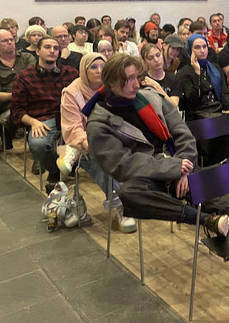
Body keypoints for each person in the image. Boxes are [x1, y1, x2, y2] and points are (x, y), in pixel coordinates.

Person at [86, 53, 229, 307]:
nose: (137, 84)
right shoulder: (100, 122)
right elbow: (122, 165)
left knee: (227, 206)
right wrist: (172, 169)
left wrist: (183, 170)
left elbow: (183, 134)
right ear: (111, 82)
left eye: (137, 77)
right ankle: (205, 220)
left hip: (182, 170)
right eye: (129, 80)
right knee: (129, 193)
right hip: (150, 180)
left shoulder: (151, 98)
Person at [59, 53, 136, 232]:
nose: (99, 70)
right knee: (103, 159)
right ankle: (121, 205)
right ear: (84, 70)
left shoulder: (111, 87)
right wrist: (94, 144)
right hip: (85, 143)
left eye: (102, 66)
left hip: (114, 137)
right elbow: (73, 128)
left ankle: (136, 196)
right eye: (94, 67)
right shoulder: (71, 93)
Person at [11, 37, 79, 192]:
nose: (52, 51)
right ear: (37, 51)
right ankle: (58, 170)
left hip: (70, 117)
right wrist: (33, 122)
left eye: (55, 48)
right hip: (43, 119)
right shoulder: (23, 77)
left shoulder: (71, 73)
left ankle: (68, 166)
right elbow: (17, 110)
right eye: (47, 47)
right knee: (38, 144)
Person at [0, 29, 35, 150]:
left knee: (32, 107)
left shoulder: (27, 57)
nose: (10, 42)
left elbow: (33, 81)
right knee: (26, 108)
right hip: (7, 102)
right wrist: (17, 95)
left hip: (32, 97)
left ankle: (36, 151)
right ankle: (36, 152)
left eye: (11, 39)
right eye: (5, 40)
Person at [140, 43, 179, 108]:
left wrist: (156, 86)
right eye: (150, 58)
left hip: (168, 115)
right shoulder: (143, 81)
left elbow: (173, 105)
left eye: (158, 55)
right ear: (145, 62)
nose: (156, 60)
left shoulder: (174, 79)